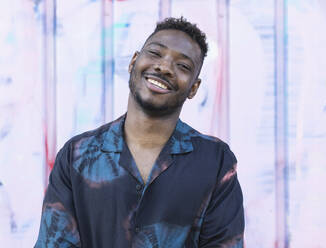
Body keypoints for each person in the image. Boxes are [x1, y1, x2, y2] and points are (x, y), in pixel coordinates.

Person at [34, 17, 244, 248]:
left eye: (183, 66)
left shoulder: (215, 162)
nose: (164, 67)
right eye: (155, 53)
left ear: (194, 87)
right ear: (134, 61)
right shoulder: (77, 155)